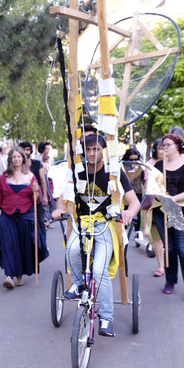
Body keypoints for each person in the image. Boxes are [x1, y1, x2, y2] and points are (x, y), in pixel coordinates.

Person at [52, 134, 140, 336]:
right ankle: (78, 283)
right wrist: (59, 209)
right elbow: (63, 199)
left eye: (97, 149)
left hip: (105, 225)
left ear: (104, 151)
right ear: (84, 152)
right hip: (82, 223)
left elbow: (134, 202)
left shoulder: (114, 173)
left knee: (99, 271)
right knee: (72, 249)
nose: (92, 153)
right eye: (89, 149)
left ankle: (107, 317)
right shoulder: (76, 171)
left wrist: (128, 212)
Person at [151, 133, 184, 302]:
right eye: (162, 146)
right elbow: (153, 189)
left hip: (182, 211)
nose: (164, 148)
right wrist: (161, 197)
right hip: (162, 211)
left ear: (178, 146)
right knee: (170, 249)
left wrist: (173, 199)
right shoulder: (158, 166)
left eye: (168, 145)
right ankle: (170, 281)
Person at [0, 146, 49, 289]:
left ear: (23, 159)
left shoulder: (30, 176)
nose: (16, 159)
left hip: (26, 216)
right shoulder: (5, 177)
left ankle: (19, 276)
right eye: (14, 157)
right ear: (10, 159)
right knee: (9, 245)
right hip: (7, 216)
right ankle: (9, 276)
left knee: (23, 247)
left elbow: (35, 200)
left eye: (19, 156)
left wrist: (36, 192)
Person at [144, 138, 166, 277]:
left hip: (172, 204)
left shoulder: (173, 164)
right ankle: (161, 266)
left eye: (166, 147)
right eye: (161, 148)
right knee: (157, 237)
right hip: (156, 204)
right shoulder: (150, 165)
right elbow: (148, 186)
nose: (164, 151)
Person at [19, 142, 49, 238]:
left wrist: (45, 196)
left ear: (31, 151)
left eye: (27, 150)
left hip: (37, 195)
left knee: (40, 220)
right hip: (23, 197)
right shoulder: (17, 165)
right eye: (23, 150)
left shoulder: (37, 164)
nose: (25, 152)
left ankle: (43, 244)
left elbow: (43, 180)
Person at [121, 148, 144, 235]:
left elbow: (143, 179)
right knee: (125, 210)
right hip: (126, 192)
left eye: (136, 159)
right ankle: (125, 228)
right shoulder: (122, 166)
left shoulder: (140, 166)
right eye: (131, 159)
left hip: (137, 191)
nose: (133, 161)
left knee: (137, 211)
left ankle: (137, 230)